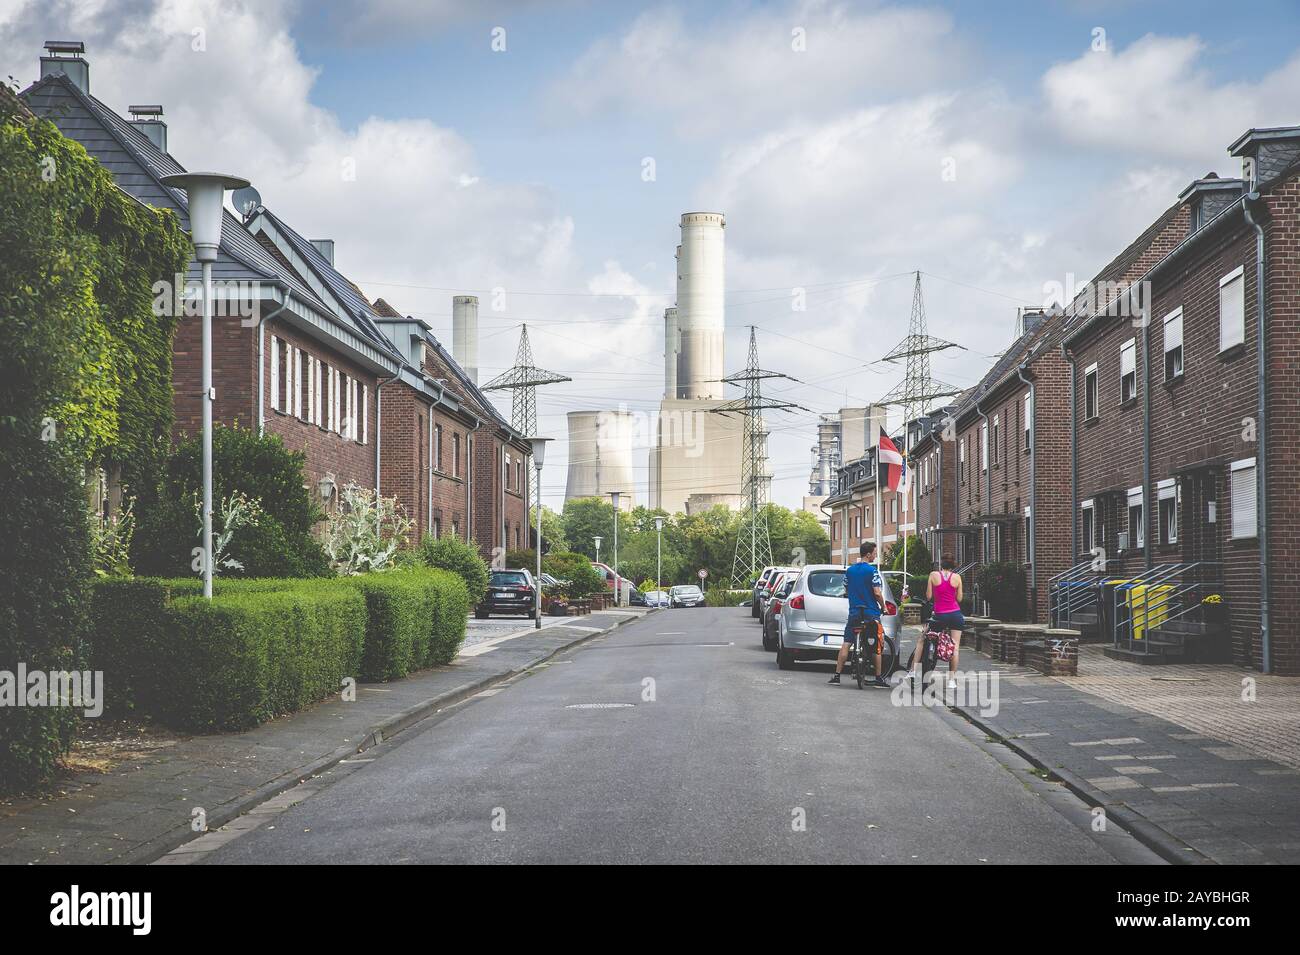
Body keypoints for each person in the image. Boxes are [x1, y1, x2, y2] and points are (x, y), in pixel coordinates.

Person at [829, 541, 888, 687]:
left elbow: (846, 588)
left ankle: (837, 676)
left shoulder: (850, 570)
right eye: (874, 554)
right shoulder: (873, 571)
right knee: (876, 644)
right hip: (871, 612)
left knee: (847, 642)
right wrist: (884, 607)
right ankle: (879, 678)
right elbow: (877, 592)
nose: (875, 556)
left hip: (855, 611)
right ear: (868, 554)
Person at [914, 553, 964, 690]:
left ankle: (913, 671)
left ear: (941, 563)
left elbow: (928, 596)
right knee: (955, 647)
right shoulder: (958, 578)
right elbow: (959, 599)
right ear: (953, 564)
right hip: (955, 614)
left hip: (939, 615)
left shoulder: (933, 575)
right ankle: (952, 681)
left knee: (924, 638)